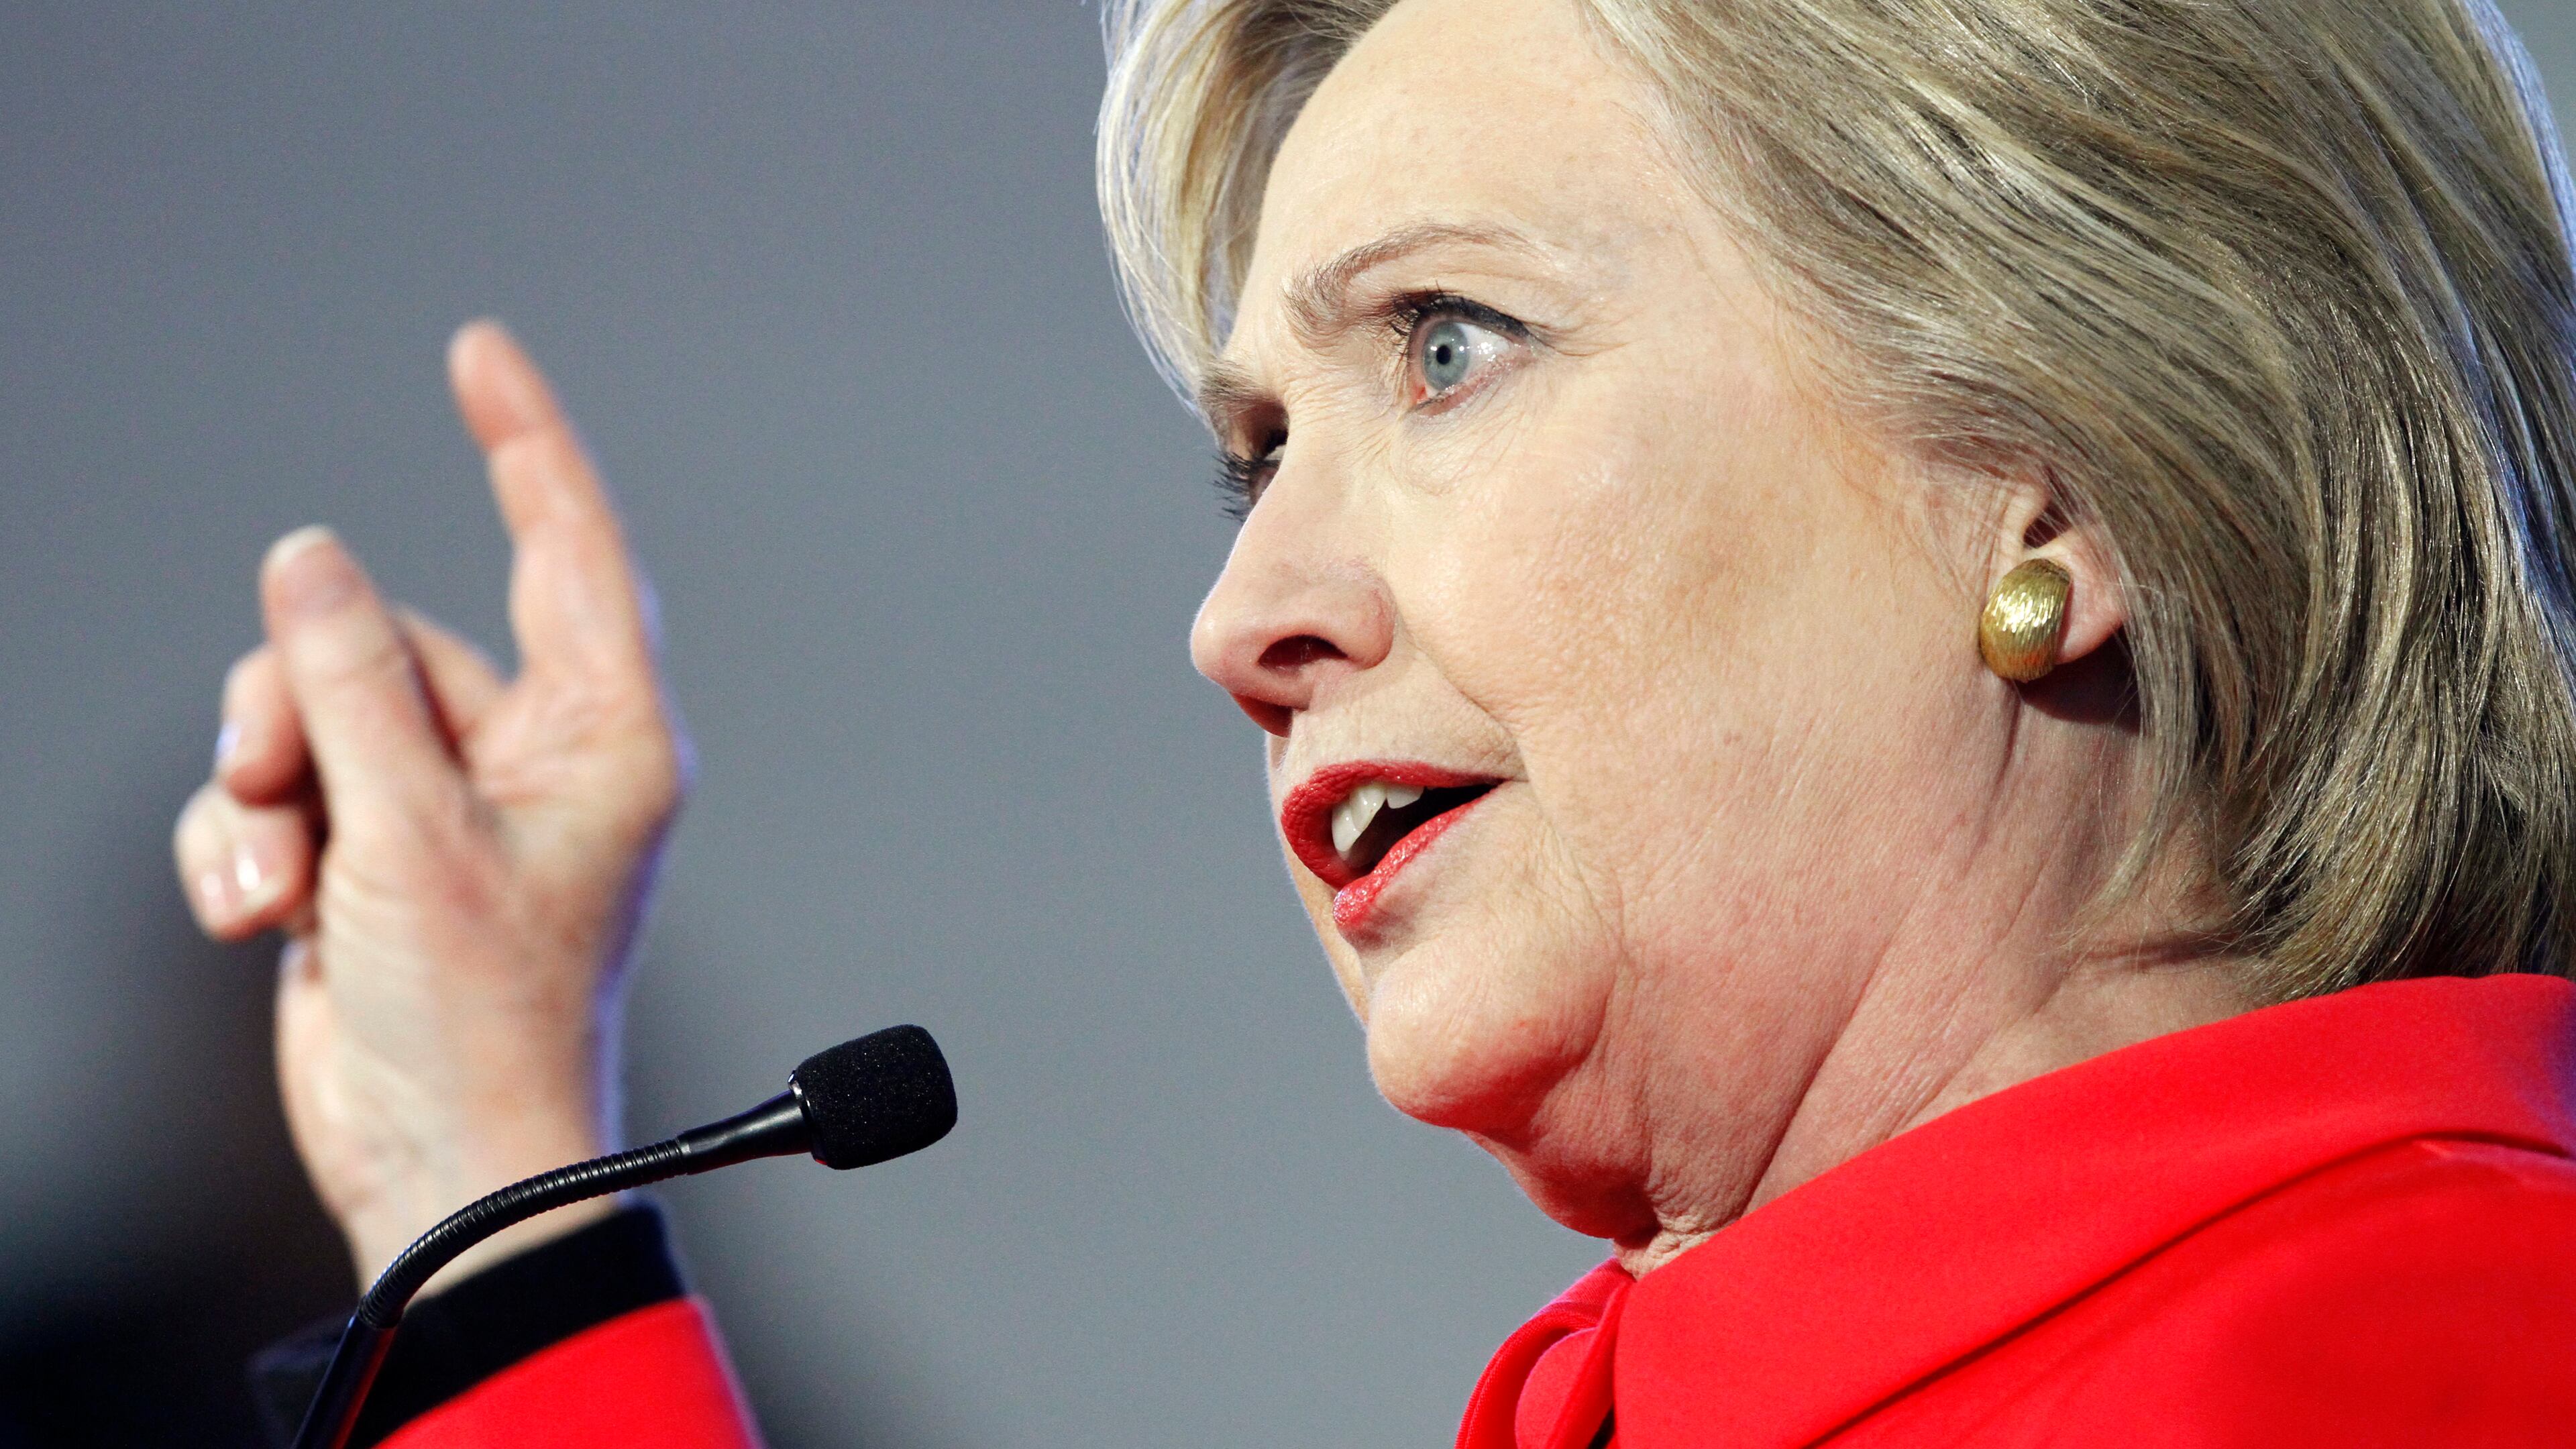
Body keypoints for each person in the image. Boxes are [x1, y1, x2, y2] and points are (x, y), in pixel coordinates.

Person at [174, 0, 2576, 1443]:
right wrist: (481, 1156)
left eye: (1445, 345)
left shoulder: (2429, 1361)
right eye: (1254, 453)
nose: (1243, 615)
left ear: (2052, 464)